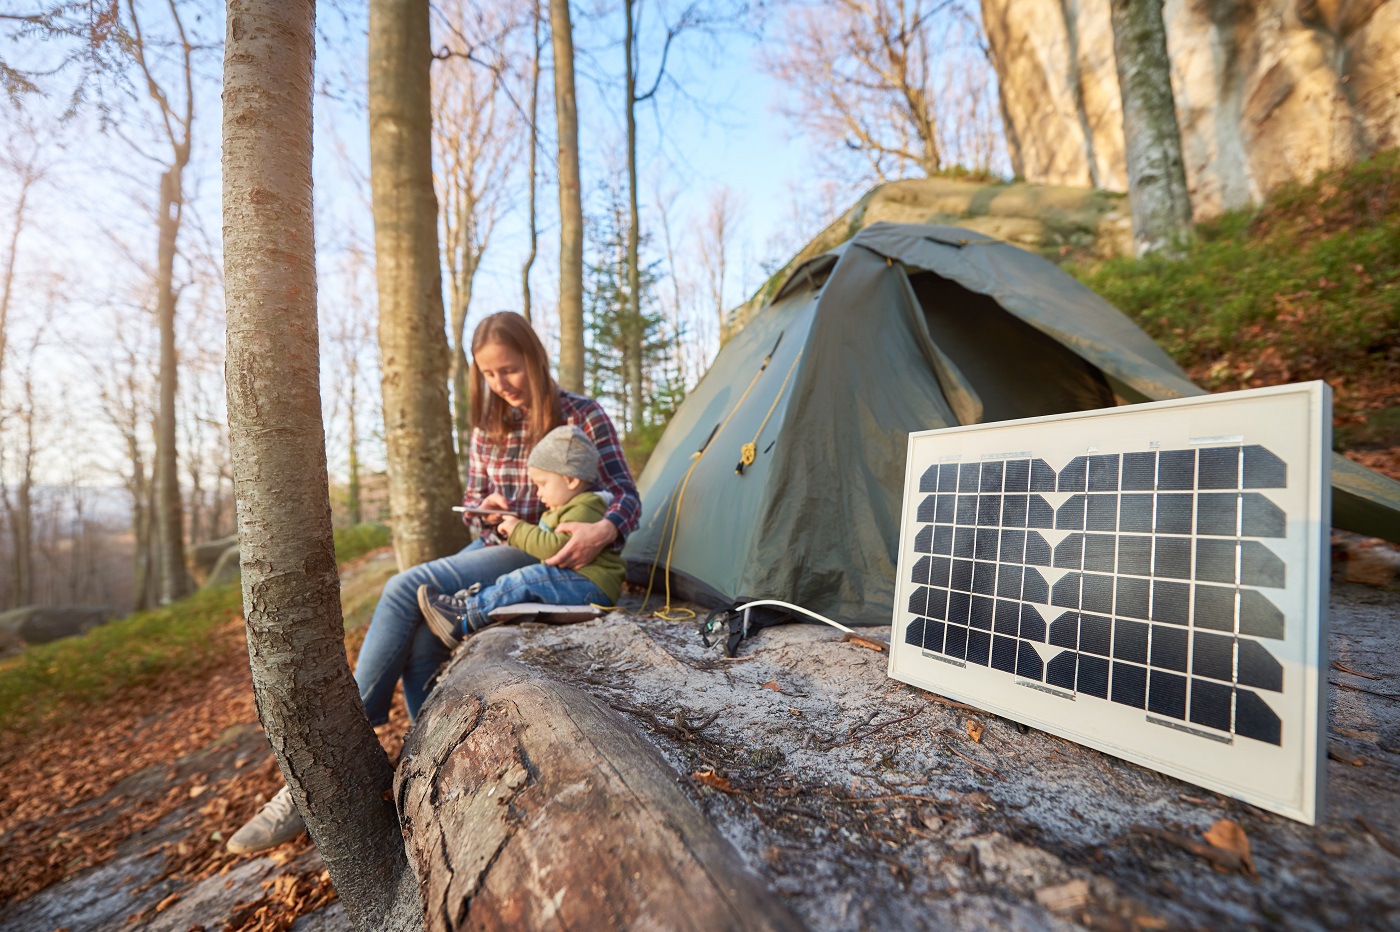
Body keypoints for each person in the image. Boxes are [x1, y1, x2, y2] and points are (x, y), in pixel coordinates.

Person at [226, 311, 641, 854]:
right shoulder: (488, 426)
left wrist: (604, 528)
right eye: (489, 375)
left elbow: (628, 496)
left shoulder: (581, 415)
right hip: (497, 542)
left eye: (509, 371)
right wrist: (486, 510)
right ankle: (431, 763)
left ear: (535, 359)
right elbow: (476, 515)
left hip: (542, 549)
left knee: (402, 588)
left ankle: (331, 756)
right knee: (421, 632)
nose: (500, 385)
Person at [416, 424, 625, 645]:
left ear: (571, 480)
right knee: (521, 579)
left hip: (592, 586)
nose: (538, 492)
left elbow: (557, 549)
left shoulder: (587, 504)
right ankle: (471, 605)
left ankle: (467, 616)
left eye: (542, 484)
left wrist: (518, 529)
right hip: (579, 582)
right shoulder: (566, 506)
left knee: (524, 580)